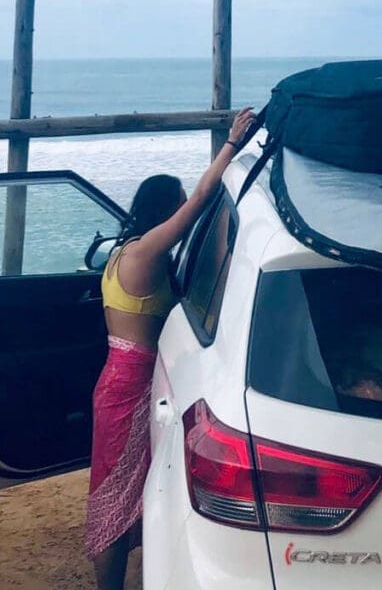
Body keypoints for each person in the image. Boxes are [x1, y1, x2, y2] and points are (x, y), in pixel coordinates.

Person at [85, 107, 255, 590]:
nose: (183, 204)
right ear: (165, 208)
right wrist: (231, 144)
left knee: (117, 488)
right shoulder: (145, 253)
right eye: (175, 202)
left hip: (118, 377)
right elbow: (202, 198)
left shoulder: (124, 251)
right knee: (115, 493)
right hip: (130, 384)